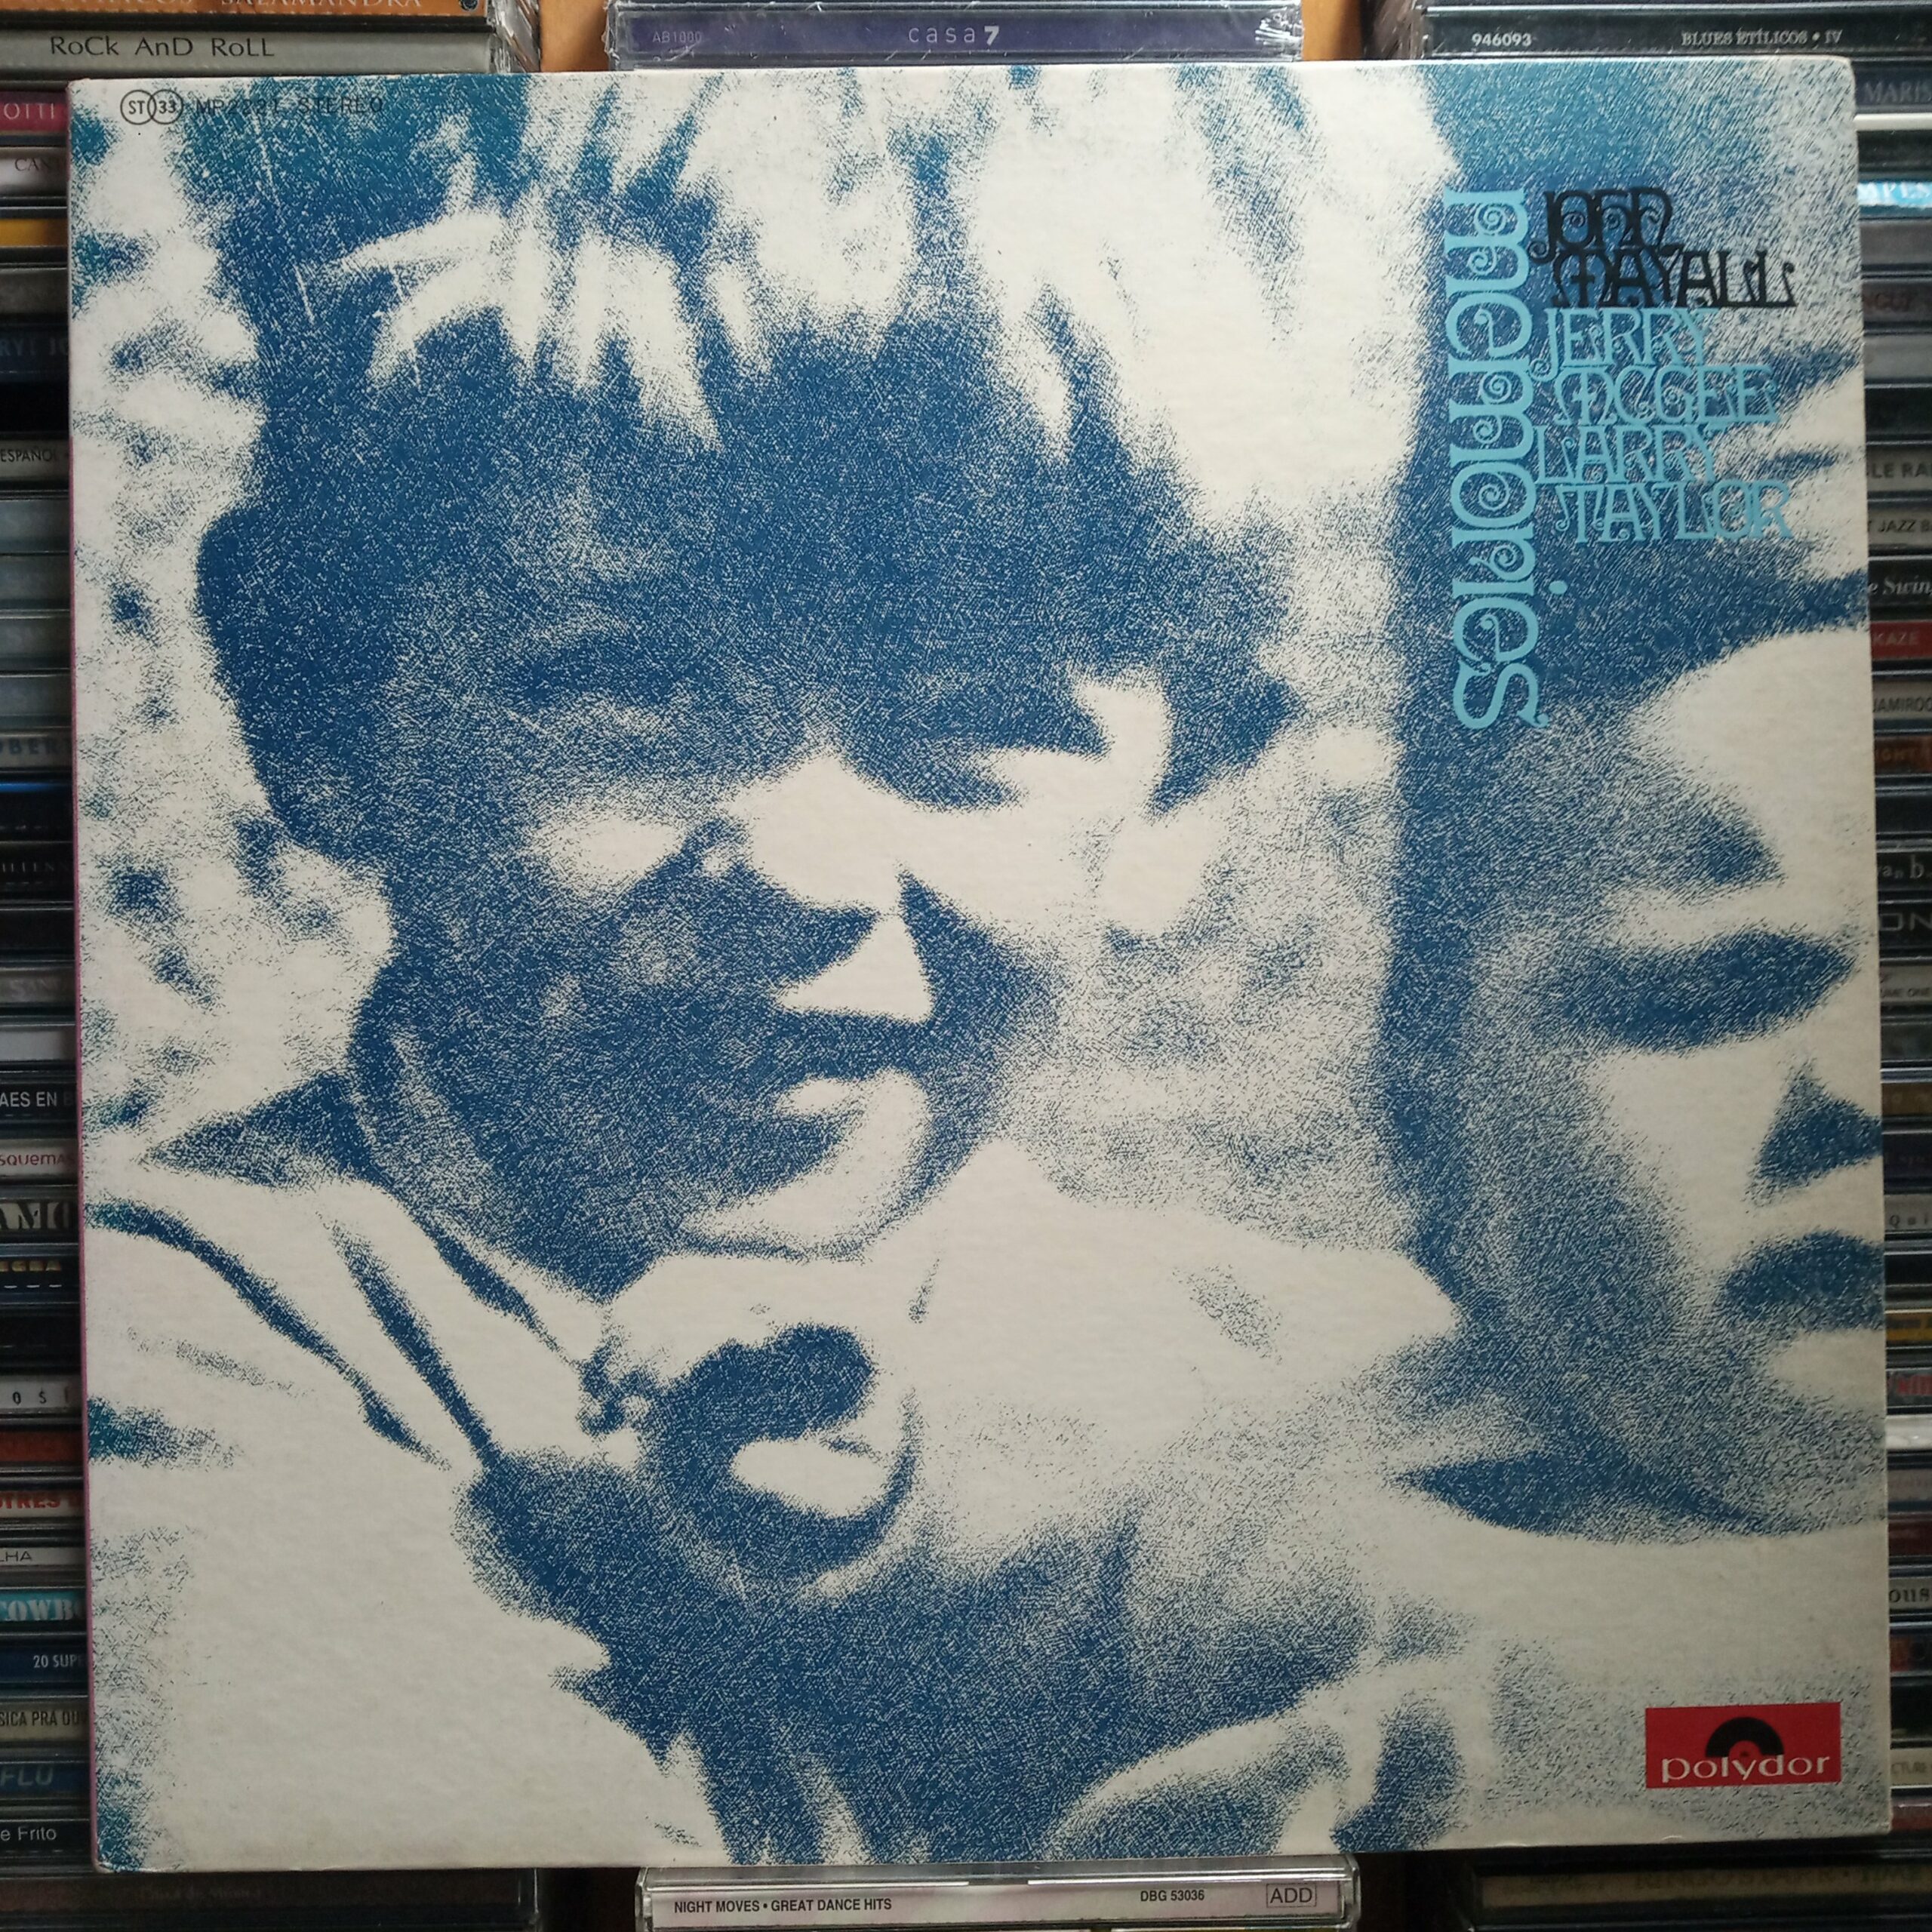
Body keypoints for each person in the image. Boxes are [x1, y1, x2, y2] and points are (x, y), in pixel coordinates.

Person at [74, 68, 1882, 1869]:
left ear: (1188, 779)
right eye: (620, 679)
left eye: (980, 715)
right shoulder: (188, 1345)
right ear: (315, 699)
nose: (803, 872)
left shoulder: (1338, 1375)